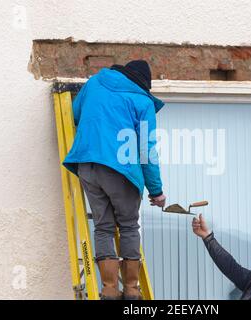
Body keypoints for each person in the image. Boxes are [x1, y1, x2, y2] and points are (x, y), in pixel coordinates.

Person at [63, 60, 166, 300]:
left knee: (103, 226)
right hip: (121, 171)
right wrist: (156, 190)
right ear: (144, 84)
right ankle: (131, 289)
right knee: (129, 225)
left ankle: (109, 290)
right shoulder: (141, 101)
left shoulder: (95, 83)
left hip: (87, 165)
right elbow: (146, 150)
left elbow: (76, 113)